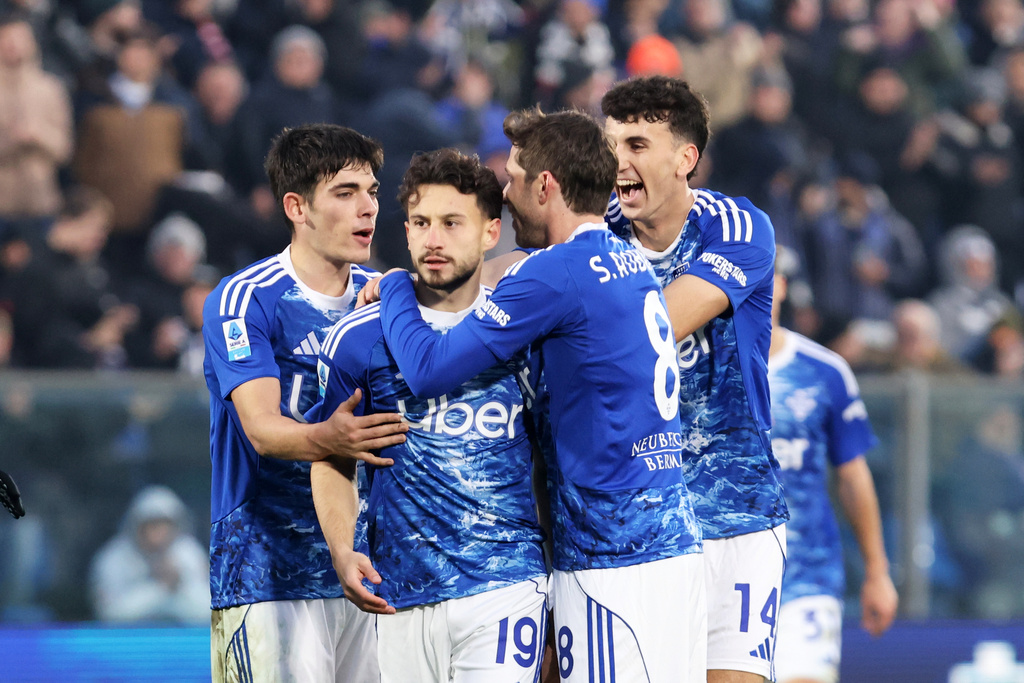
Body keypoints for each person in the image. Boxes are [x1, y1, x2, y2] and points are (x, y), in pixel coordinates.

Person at [370, 108, 706, 682]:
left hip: (612, 556)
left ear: (546, 185)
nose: (505, 191)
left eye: (515, 177)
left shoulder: (553, 273)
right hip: (670, 541)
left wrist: (399, 284)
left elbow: (427, 369)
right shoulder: (628, 259)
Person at [310, 148, 548, 682]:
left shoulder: (527, 336)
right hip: (398, 594)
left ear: (491, 233)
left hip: (505, 587)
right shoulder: (355, 339)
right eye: (420, 223)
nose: (433, 239)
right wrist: (342, 551)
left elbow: (547, 462)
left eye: (450, 223)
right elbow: (330, 458)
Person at [201, 123, 408, 682]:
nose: (367, 209)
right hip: (267, 574)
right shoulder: (245, 299)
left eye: (372, 192)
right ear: (297, 206)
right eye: (345, 193)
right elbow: (263, 430)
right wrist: (330, 440)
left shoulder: (387, 297)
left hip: (371, 573)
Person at [602, 75, 787, 683]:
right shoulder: (596, 232)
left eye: (636, 145)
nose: (619, 162)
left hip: (736, 511)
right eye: (612, 146)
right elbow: (516, 271)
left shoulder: (736, 227)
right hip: (637, 519)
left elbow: (656, 329)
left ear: (686, 159)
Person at [768, 250, 898, 683]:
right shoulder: (699, 366)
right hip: (722, 578)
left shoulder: (824, 372)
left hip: (807, 575)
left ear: (782, 285)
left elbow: (853, 476)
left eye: (766, 277)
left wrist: (877, 572)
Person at [89, 485, 210, 624]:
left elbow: (208, 611)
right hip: (129, 642)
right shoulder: (113, 559)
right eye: (152, 525)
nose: (159, 533)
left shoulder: (189, 553)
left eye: (165, 525)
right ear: (137, 526)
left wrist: (178, 583)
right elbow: (109, 614)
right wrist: (159, 586)